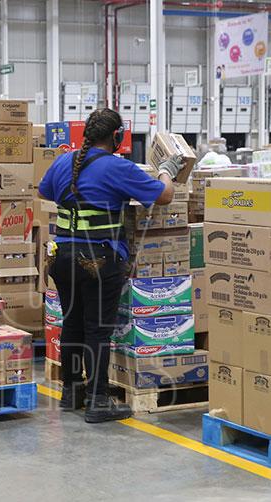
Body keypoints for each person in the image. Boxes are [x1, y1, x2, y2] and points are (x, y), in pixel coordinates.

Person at [38, 108, 182, 423]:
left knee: (72, 323)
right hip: (98, 260)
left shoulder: (63, 161)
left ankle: (71, 391)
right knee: (98, 330)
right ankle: (98, 400)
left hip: (61, 257)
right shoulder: (118, 167)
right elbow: (165, 196)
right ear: (116, 137)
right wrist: (166, 171)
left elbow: (44, 190)